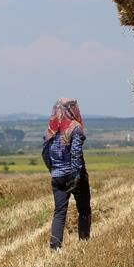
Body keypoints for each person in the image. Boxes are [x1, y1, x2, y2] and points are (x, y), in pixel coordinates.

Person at [42, 98, 91, 250]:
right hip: (74, 175)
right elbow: (76, 154)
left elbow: (45, 153)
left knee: (59, 212)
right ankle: (84, 242)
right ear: (71, 109)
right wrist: (76, 176)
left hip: (57, 176)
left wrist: (53, 170)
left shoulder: (51, 128)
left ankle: (55, 247)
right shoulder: (75, 127)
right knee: (84, 209)